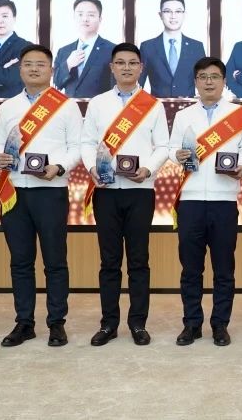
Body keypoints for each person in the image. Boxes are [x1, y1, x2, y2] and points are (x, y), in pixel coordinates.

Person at [0, 44, 82, 347]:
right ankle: (24, 322)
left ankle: (56, 323)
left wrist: (58, 167)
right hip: (14, 191)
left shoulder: (66, 106)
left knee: (55, 261)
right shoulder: (8, 107)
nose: (33, 69)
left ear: (51, 70)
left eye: (40, 64)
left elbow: (77, 148)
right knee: (20, 261)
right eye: (28, 64)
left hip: (51, 191)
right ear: (20, 69)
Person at [80, 43, 169, 347]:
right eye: (121, 63)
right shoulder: (98, 103)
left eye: (132, 63)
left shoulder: (153, 105)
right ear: (112, 67)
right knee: (109, 261)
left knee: (139, 261)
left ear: (141, 68)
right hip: (106, 192)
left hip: (140, 191)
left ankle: (138, 323)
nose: (127, 68)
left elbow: (163, 146)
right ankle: (108, 324)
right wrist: (93, 167)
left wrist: (148, 169)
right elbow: (87, 142)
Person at [169, 57, 242, 346]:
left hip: (224, 201)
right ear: (195, 82)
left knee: (224, 269)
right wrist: (177, 155)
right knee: (191, 269)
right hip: (191, 201)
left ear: (224, 81)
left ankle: (220, 324)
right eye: (203, 76)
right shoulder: (183, 115)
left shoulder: (238, 115)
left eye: (215, 76)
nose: (209, 82)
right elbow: (171, 148)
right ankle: (191, 324)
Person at [139, 0, 207, 98]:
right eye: (167, 11)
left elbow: (205, 83)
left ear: (184, 15)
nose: (173, 16)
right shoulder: (147, 47)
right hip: (158, 107)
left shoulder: (196, 47)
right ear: (160, 15)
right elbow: (138, 85)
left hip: (189, 107)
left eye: (178, 11)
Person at [53, 0, 117, 98]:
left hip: (100, 106)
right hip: (70, 107)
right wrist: (68, 65)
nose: (85, 19)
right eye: (80, 14)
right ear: (74, 17)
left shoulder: (112, 50)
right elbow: (57, 83)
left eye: (91, 15)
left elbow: (116, 86)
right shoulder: (63, 51)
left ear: (100, 19)